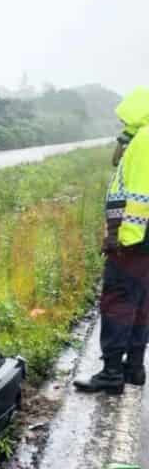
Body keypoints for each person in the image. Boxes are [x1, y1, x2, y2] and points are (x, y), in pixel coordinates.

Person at [75, 87, 149, 394]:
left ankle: (111, 373)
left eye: (125, 120)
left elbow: (137, 194)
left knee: (118, 303)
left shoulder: (144, 140)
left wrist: (117, 236)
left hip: (134, 240)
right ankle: (134, 368)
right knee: (142, 303)